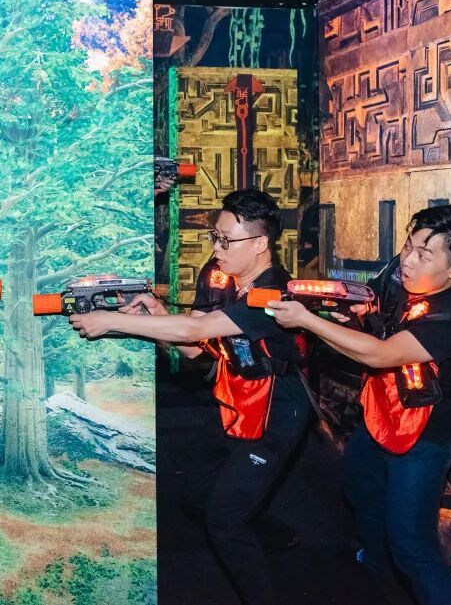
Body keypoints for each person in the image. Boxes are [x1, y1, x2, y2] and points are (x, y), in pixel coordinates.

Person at [70, 188, 309, 605]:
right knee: (195, 494)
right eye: (215, 237)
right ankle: (271, 535)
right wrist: (159, 315)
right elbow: (195, 348)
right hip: (233, 399)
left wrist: (110, 321)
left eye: (226, 240)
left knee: (224, 521)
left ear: (260, 244)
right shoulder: (218, 275)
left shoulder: (274, 294)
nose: (216, 248)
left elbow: (195, 330)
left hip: (276, 411)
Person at [265, 204, 451, 605]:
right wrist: (356, 314)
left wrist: (307, 320)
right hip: (379, 413)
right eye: (408, 245)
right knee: (360, 491)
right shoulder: (400, 272)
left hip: (426, 434)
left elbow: (380, 354)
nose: (407, 260)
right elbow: (372, 307)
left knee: (411, 543)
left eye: (424, 254)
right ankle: (375, 573)